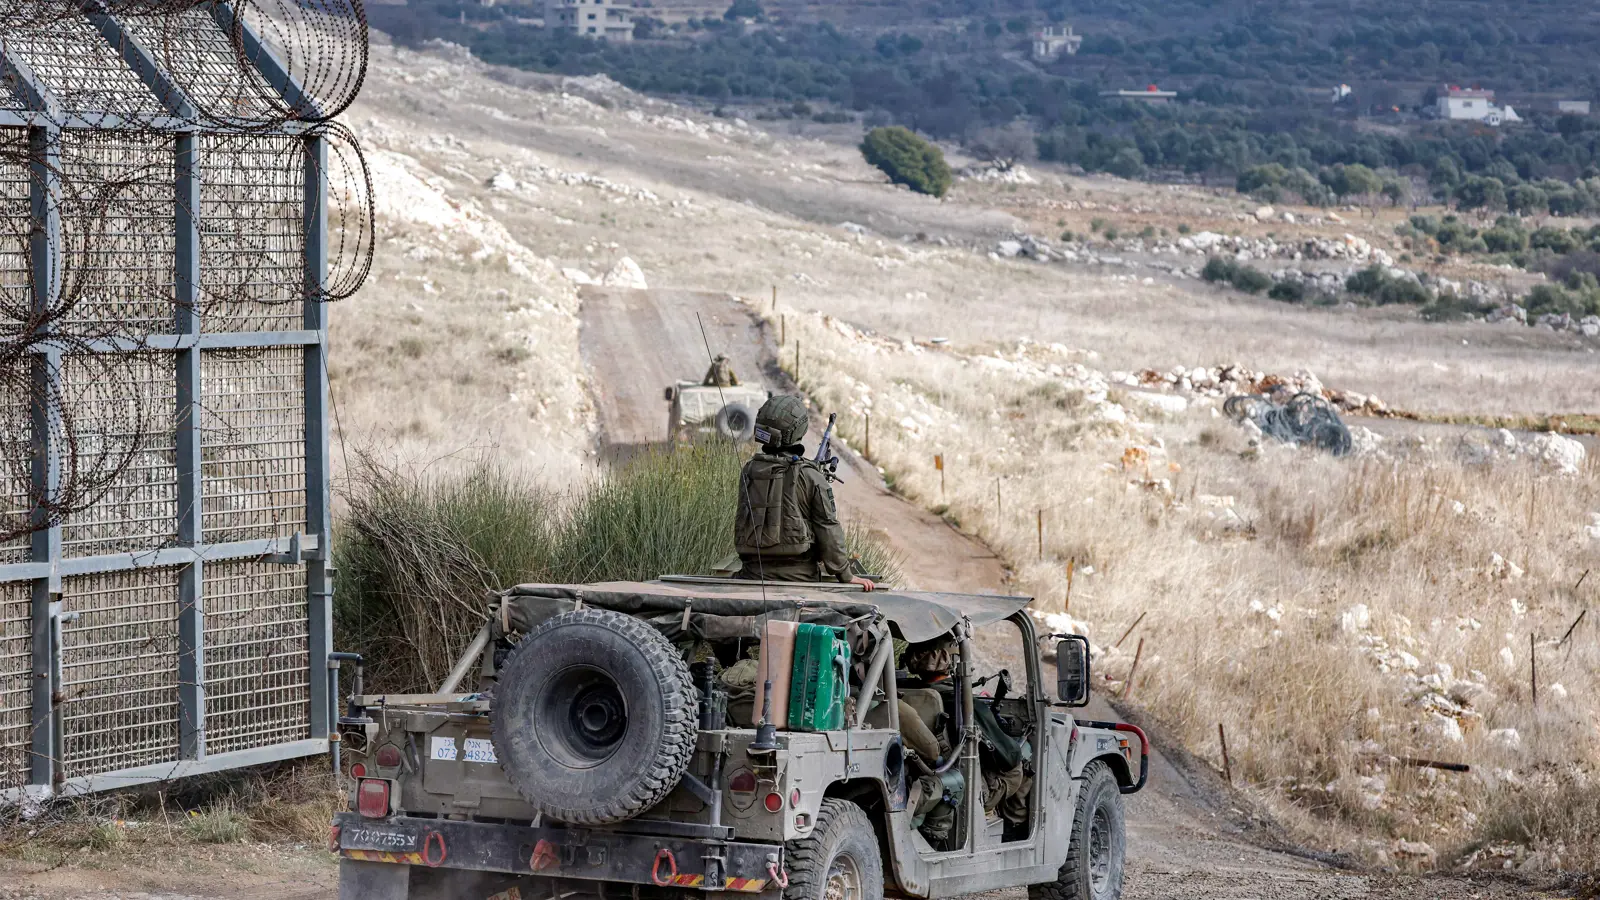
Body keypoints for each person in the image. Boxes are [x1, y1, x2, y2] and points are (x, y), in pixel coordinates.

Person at [733, 395, 875, 590]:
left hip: (751, 576)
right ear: (799, 430)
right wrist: (846, 574)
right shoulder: (809, 476)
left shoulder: (749, 471)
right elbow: (827, 526)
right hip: (800, 580)